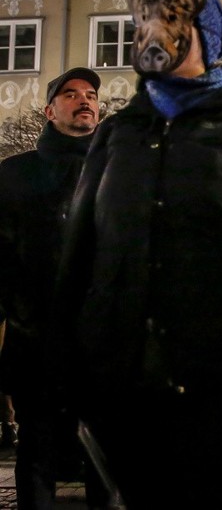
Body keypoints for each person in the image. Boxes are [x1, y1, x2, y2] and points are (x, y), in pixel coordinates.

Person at [53, 0, 222, 508]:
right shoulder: (117, 133)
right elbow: (79, 256)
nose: (154, 37)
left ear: (205, 38)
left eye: (171, 24)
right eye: (144, 24)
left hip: (217, 385)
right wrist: (64, 368)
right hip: (119, 382)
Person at [0, 67, 106, 509]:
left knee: (105, 459)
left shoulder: (118, 175)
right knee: (37, 455)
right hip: (36, 345)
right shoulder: (15, 174)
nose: (84, 100)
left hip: (103, 346)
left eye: (90, 94)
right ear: (49, 111)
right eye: (70, 94)